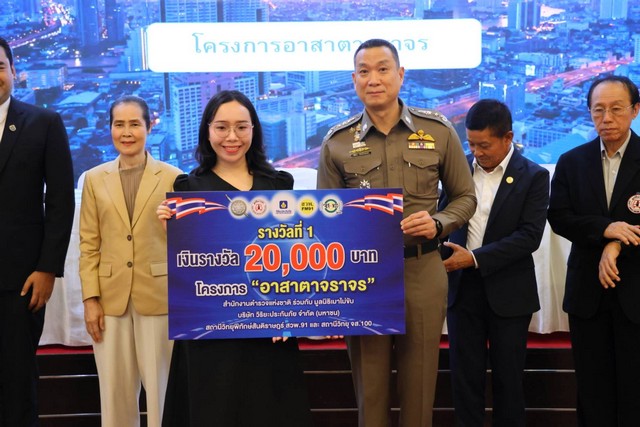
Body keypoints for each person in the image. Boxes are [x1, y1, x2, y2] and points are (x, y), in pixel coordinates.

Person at [316, 39, 476, 427]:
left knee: (419, 390)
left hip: (421, 269)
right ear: (354, 80)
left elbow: (465, 197)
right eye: (364, 71)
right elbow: (323, 219)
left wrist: (438, 223)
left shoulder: (438, 131)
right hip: (362, 277)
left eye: (383, 69)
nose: (374, 79)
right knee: (370, 392)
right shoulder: (337, 142)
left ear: (401, 75)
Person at [157, 90, 312, 427]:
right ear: (207, 131)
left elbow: (291, 257)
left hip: (268, 329)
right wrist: (172, 228)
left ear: (254, 130)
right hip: (211, 332)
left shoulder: (279, 184)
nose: (232, 137)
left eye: (241, 127)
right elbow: (190, 263)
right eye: (222, 127)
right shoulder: (188, 189)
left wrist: (289, 315)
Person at [440, 99, 549, 426]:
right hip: (462, 292)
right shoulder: (457, 171)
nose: (477, 152)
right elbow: (443, 217)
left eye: (484, 145)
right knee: (464, 381)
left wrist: (474, 258)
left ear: (508, 137)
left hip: (509, 294)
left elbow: (529, 237)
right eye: (471, 144)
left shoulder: (534, 176)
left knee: (508, 383)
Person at [79, 95, 182, 427]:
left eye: (134, 124)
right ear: (109, 128)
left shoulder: (174, 177)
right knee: (115, 396)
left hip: (160, 297)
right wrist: (90, 299)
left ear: (149, 126)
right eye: (119, 124)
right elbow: (89, 245)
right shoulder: (93, 179)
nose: (126, 132)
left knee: (161, 394)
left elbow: (185, 242)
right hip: (110, 301)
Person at [547, 75, 640, 426]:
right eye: (598, 110)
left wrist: (616, 244)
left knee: (634, 390)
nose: (607, 118)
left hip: (635, 292)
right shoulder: (572, 162)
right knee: (592, 390)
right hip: (588, 293)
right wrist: (604, 229)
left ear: (635, 110)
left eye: (616, 109)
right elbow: (559, 217)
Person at [0, 37, 75, 425]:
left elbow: (61, 201)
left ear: (14, 71)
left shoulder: (43, 123)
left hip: (21, 281)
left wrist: (47, 268)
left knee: (16, 384)